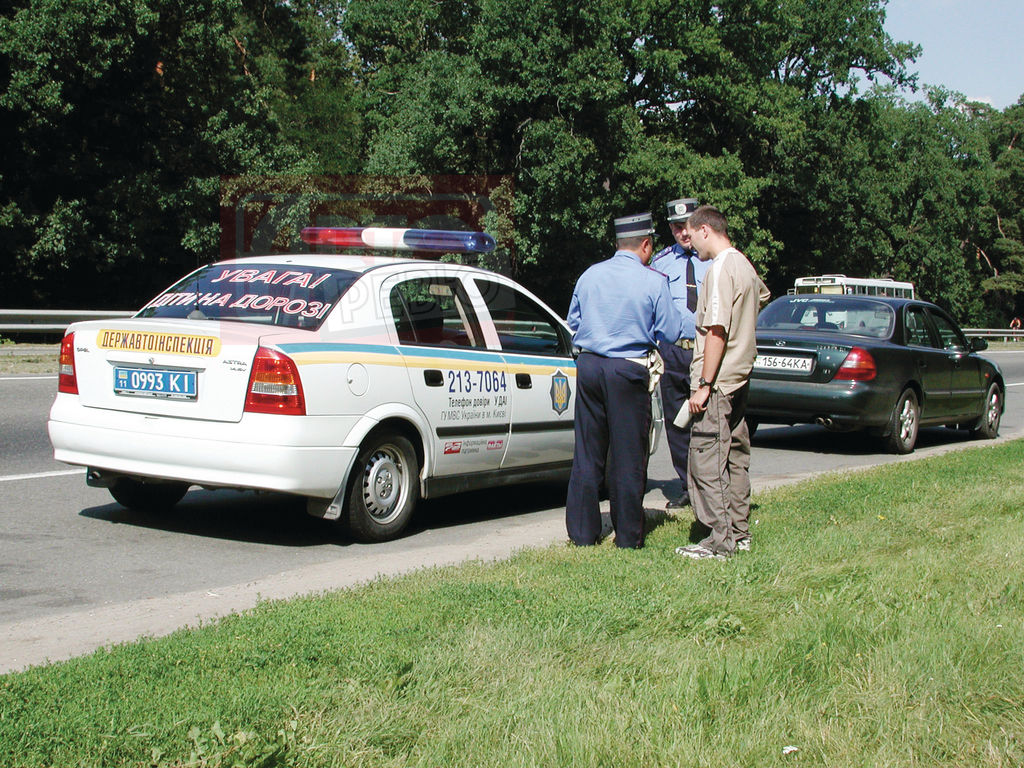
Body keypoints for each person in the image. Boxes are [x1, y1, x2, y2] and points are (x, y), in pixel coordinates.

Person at [566, 212, 682, 549]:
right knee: (628, 455)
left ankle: (583, 533)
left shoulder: (590, 276)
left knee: (587, 453)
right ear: (646, 245)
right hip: (628, 370)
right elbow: (671, 331)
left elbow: (574, 320)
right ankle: (628, 536)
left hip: (588, 367)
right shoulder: (653, 281)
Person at [675, 206, 770, 560]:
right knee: (735, 456)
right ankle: (739, 532)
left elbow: (716, 330)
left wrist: (704, 383)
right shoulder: (745, 265)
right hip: (740, 377)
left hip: (718, 383)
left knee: (706, 458)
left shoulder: (719, 270)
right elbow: (761, 297)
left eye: (690, 234)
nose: (689, 243)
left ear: (704, 230)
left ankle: (719, 541)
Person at [650, 198, 710, 510]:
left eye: (686, 226)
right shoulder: (660, 264)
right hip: (673, 353)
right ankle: (688, 486)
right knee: (678, 422)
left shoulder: (715, 259)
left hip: (707, 350)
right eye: (676, 227)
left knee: (709, 420)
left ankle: (713, 485)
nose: (682, 233)